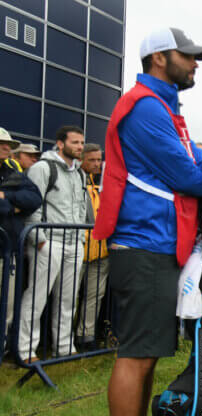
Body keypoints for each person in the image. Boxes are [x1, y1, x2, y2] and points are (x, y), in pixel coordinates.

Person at [92, 27, 202, 416]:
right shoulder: (145, 107)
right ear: (159, 58)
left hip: (156, 245)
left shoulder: (165, 108)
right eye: (187, 55)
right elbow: (185, 173)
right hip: (145, 244)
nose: (195, 64)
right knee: (136, 355)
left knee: (149, 352)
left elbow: (196, 158)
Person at [19, 125, 91, 363]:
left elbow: (81, 207)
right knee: (37, 297)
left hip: (74, 243)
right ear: (60, 143)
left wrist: (80, 239)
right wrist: (40, 240)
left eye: (82, 143)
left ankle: (64, 347)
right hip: (49, 242)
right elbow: (33, 204)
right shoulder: (42, 168)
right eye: (75, 142)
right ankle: (25, 350)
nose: (79, 147)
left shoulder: (79, 173)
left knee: (68, 299)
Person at [1, 127, 42, 354]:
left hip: (8, 250)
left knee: (7, 304)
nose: (7, 147)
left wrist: (6, 197)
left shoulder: (12, 172)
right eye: (1, 143)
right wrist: (13, 207)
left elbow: (34, 198)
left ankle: (3, 348)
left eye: (8, 144)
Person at [76, 143, 109, 351]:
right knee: (68, 296)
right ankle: (60, 340)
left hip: (100, 250)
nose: (97, 164)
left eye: (99, 160)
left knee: (94, 295)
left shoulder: (103, 181)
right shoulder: (75, 179)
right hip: (79, 248)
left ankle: (86, 336)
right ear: (81, 160)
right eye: (92, 160)